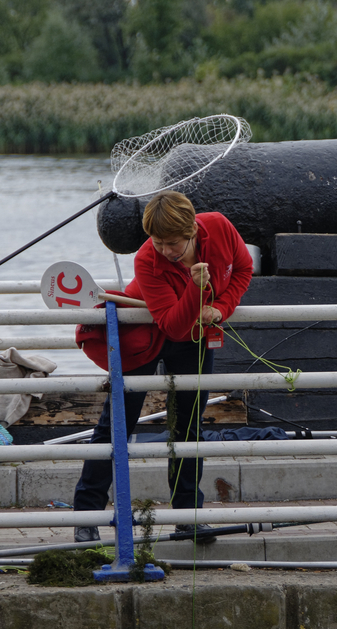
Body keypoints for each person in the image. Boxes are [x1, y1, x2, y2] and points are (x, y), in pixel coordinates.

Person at [72, 191, 253, 545]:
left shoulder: (219, 227)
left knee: (189, 425)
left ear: (193, 230)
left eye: (173, 244)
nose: (165, 251)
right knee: (117, 422)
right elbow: (170, 323)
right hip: (147, 330)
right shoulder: (146, 260)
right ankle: (87, 513)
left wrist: (220, 308)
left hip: (197, 334)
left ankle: (188, 517)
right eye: (158, 242)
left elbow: (244, 269)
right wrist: (195, 288)